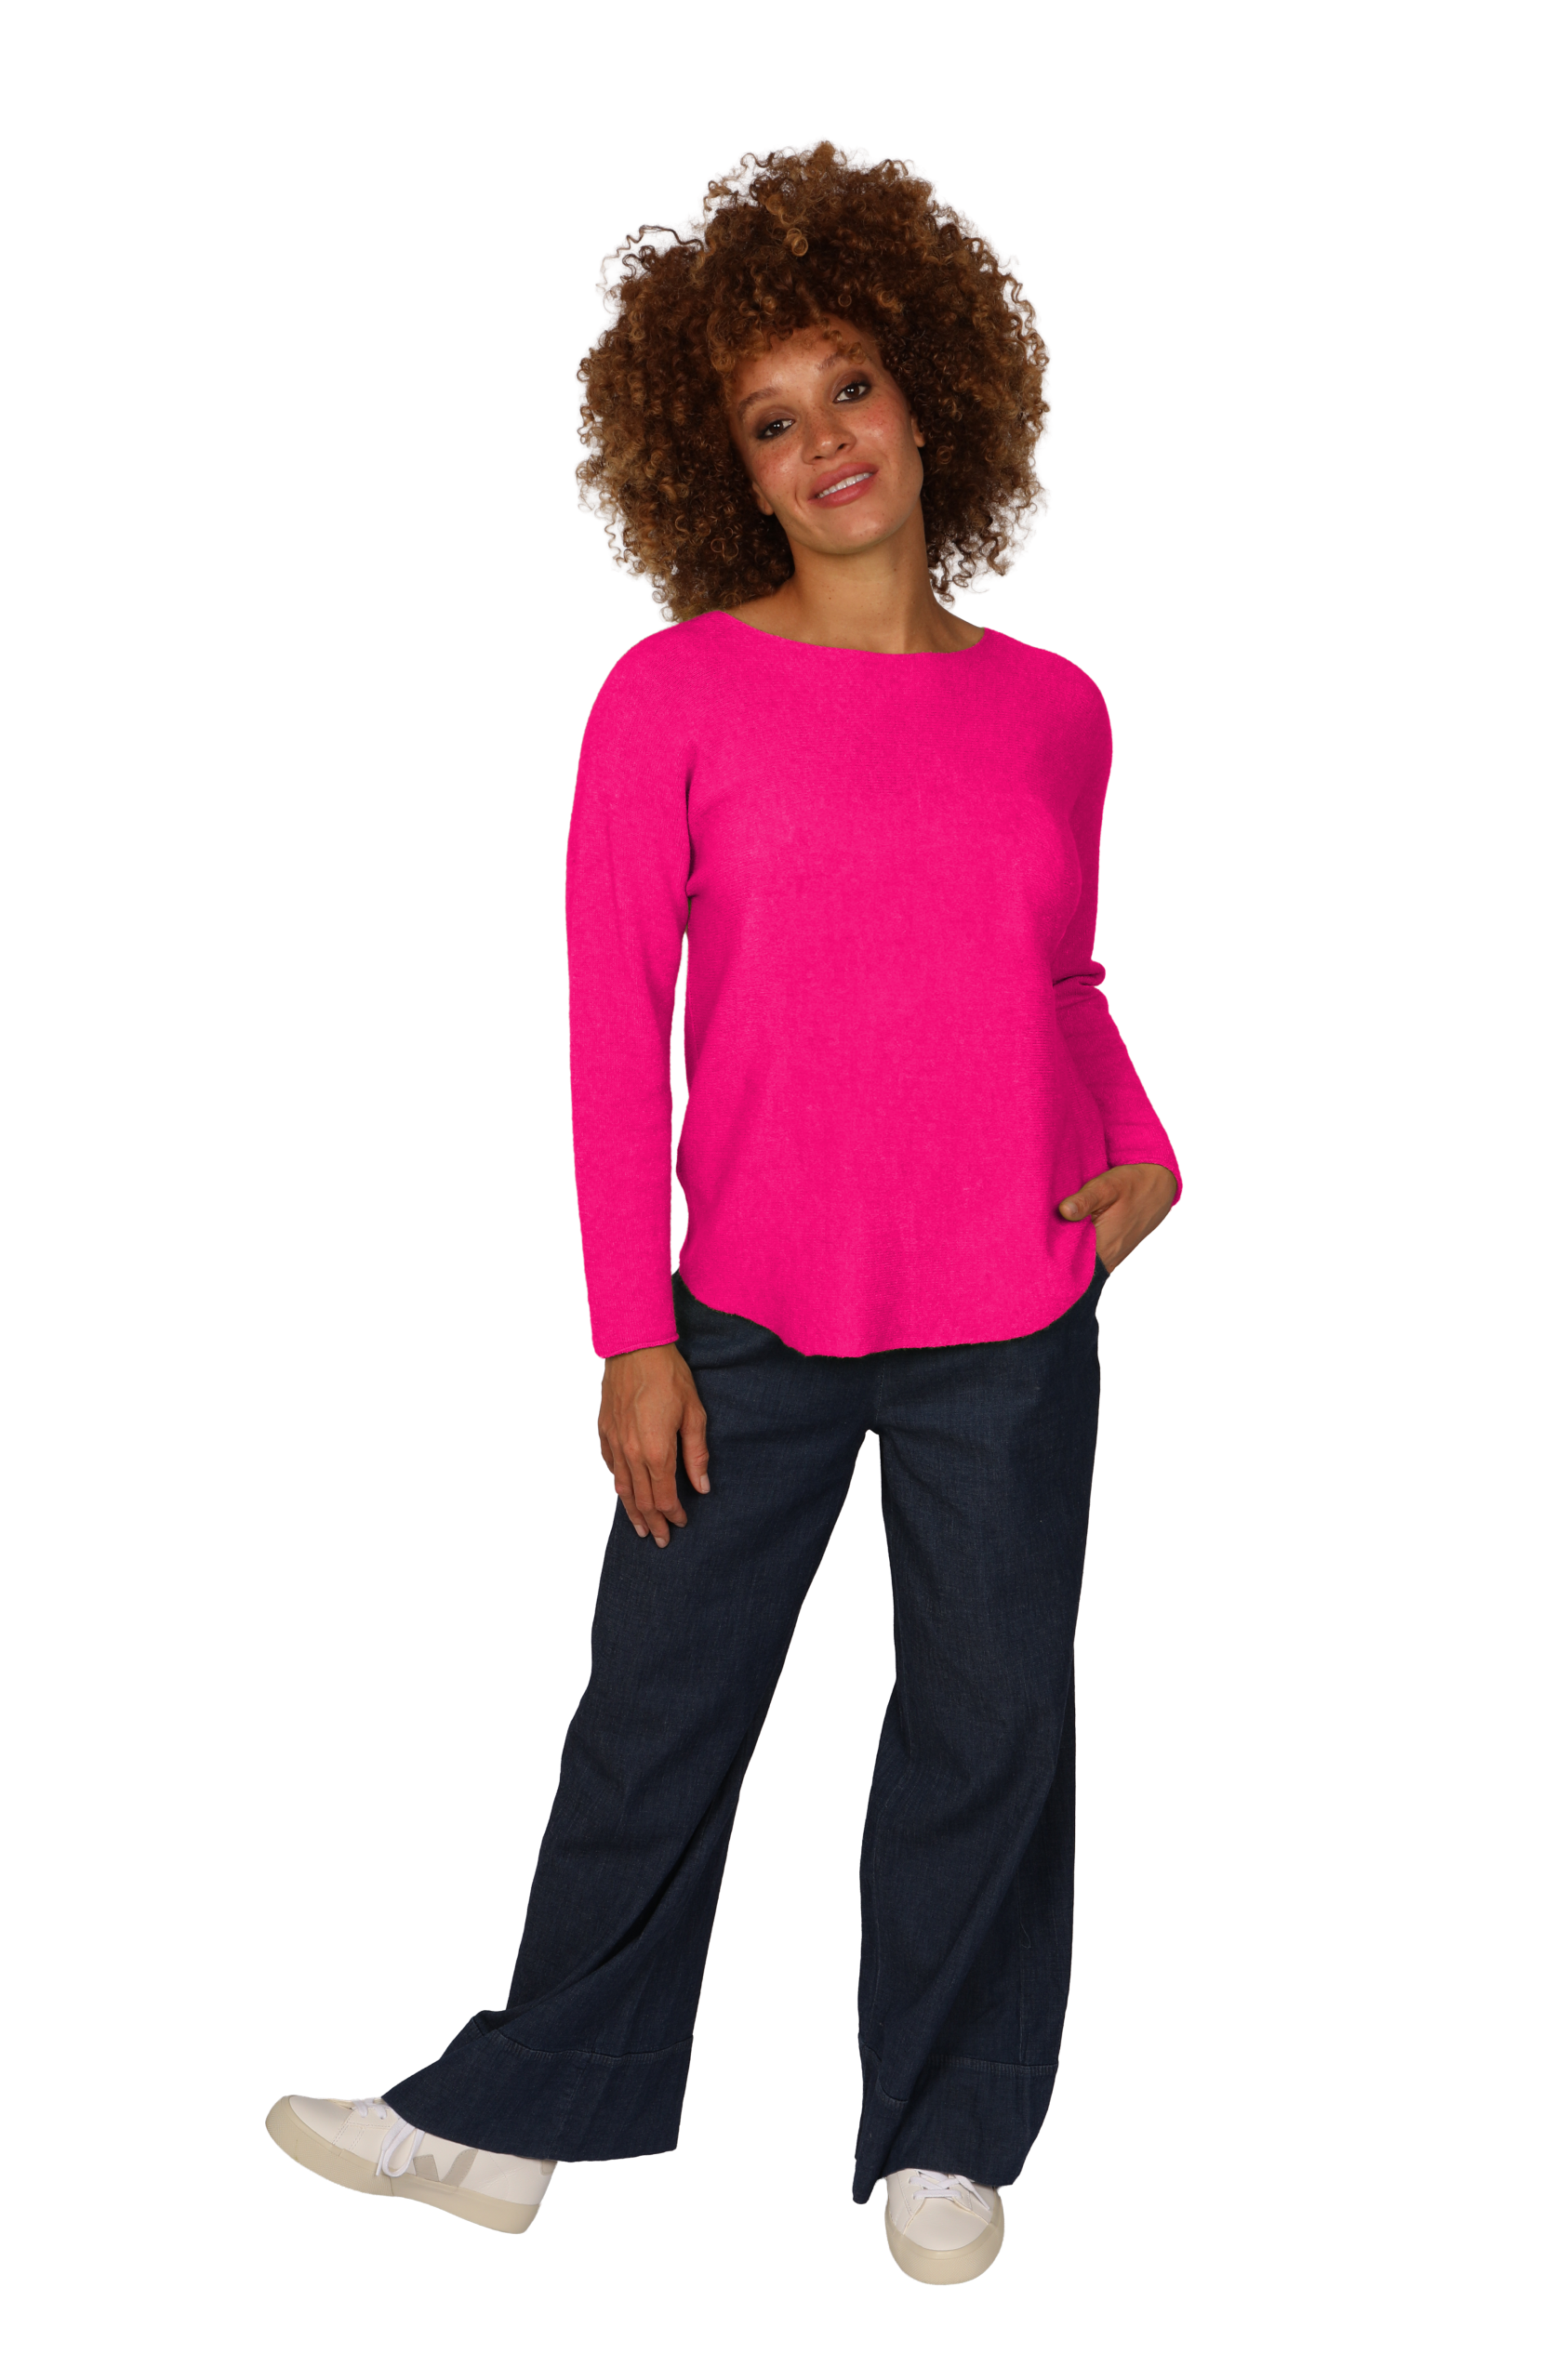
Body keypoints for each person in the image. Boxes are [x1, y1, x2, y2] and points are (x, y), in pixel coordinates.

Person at [266, 141, 1180, 2286]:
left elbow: (1057, 977)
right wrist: (632, 1329)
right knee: (654, 1714)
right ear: (726, 473)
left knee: (989, 1721)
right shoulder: (670, 697)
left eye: (848, 385)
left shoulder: (1054, 708)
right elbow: (616, 1027)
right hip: (747, 1314)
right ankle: (517, 2113)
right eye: (771, 421)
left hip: (1008, 1311)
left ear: (930, 396)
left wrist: (1143, 1141)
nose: (824, 440)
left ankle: (947, 2125)